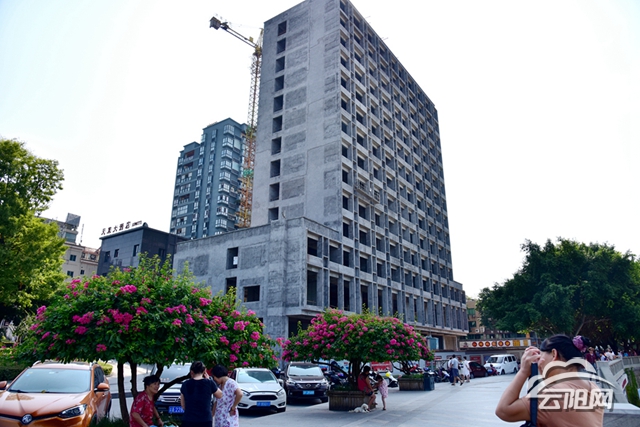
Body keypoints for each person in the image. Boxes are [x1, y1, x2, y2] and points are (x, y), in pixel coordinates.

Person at [495, 334, 604, 427]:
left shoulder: (552, 396)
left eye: (540, 356)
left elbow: (503, 411)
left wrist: (523, 371)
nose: (539, 363)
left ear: (554, 354)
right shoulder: (593, 388)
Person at [180, 361, 222, 427]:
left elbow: (183, 404)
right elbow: (220, 395)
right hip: (205, 419)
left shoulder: (185, 384)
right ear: (204, 371)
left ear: (191, 372)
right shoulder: (209, 383)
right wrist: (209, 379)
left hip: (188, 419)